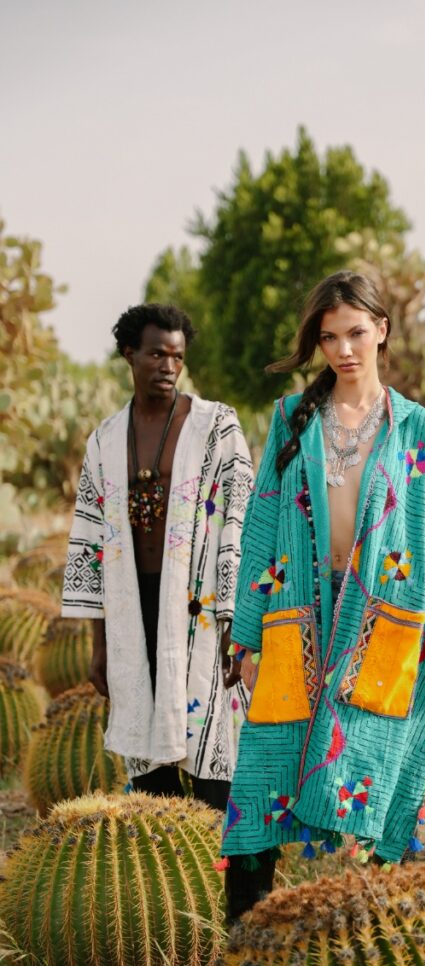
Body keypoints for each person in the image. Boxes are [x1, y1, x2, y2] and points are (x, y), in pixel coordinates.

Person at [218, 270, 425, 920]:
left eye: (356, 333)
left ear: (381, 332)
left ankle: (366, 936)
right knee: (262, 778)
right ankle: (241, 941)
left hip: (381, 629)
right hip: (297, 622)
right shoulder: (290, 418)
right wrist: (246, 634)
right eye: (329, 336)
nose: (343, 349)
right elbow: (259, 531)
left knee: (369, 770)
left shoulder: (413, 426)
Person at [62, 303, 252, 810]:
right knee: (148, 762)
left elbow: (243, 518)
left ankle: (226, 872)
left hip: (204, 609)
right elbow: (90, 542)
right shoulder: (103, 441)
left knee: (213, 745)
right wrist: (99, 644)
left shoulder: (216, 427)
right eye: (156, 355)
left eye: (177, 356)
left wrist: (240, 616)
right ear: (129, 354)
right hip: (132, 610)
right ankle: (170, 870)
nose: (168, 367)